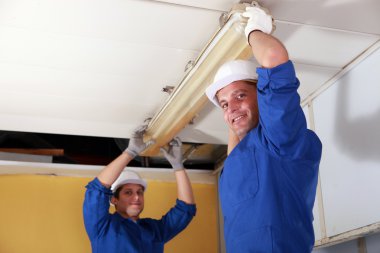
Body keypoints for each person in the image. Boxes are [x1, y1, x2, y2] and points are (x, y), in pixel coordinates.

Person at [205, 3, 322, 253]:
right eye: (224, 104)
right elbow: (237, 155)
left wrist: (255, 30)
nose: (230, 108)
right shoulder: (244, 156)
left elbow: (273, 58)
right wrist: (235, 116)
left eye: (239, 96)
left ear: (262, 93)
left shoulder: (280, 138)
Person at [83, 123, 196, 253]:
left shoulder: (154, 230)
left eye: (139, 192)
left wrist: (178, 167)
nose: (136, 197)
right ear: (114, 199)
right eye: (128, 192)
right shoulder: (102, 226)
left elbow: (185, 210)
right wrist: (130, 152)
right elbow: (96, 190)